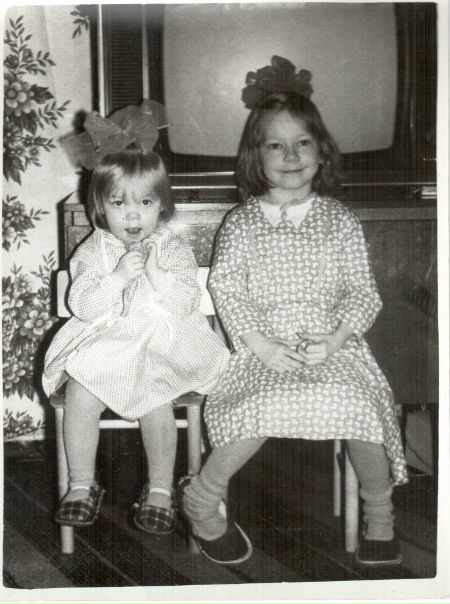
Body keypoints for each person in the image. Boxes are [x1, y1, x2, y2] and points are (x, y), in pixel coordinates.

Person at [180, 90, 408, 566]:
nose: (290, 155)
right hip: (261, 346)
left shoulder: (339, 220)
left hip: (334, 346)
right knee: (259, 404)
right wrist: (260, 345)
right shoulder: (241, 222)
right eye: (275, 145)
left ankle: (380, 516)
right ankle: (200, 500)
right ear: (255, 157)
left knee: (359, 403)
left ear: (321, 151)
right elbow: (227, 289)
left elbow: (362, 291)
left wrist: (336, 340)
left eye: (302, 143)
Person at [43, 137, 229, 534]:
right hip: (107, 345)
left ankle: (160, 490)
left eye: (144, 202)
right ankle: (81, 484)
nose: (132, 215)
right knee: (80, 391)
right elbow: (83, 306)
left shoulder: (173, 248)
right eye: (118, 203)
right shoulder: (92, 251)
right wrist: (116, 279)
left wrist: (159, 277)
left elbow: (186, 302)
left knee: (156, 399)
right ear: (100, 207)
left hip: (161, 345)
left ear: (162, 205)